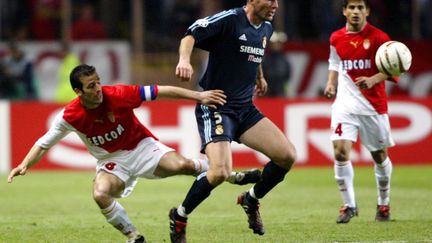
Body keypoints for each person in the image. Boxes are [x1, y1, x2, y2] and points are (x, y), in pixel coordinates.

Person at [7, 64, 262, 243]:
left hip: (142, 147)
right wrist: (24, 164)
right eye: (91, 86)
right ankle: (134, 236)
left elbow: (161, 91)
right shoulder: (70, 115)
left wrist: (199, 96)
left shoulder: (117, 94)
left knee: (184, 165)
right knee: (100, 194)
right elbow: (44, 142)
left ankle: (233, 177)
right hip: (111, 161)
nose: (98, 89)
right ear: (78, 91)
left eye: (98, 82)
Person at [171, 0, 296, 241]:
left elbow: (253, 52)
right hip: (217, 105)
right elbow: (190, 34)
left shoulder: (267, 28)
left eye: (277, 0)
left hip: (245, 109)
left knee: (286, 156)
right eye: (270, 0)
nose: (276, 5)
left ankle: (251, 199)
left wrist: (259, 76)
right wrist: (184, 60)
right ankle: (179, 215)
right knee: (219, 172)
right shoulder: (229, 19)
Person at [324, 0, 397, 224]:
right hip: (345, 104)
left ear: (367, 11)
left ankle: (383, 203)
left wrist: (374, 79)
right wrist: (330, 83)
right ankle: (349, 206)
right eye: (352, 7)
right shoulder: (336, 37)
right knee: (340, 152)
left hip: (373, 107)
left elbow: (397, 65)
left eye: (360, 8)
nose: (356, 12)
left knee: (379, 156)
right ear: (344, 11)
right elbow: (335, 62)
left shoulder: (379, 38)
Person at [261, 31, 291, 97]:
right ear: (270, 44)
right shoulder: (264, 60)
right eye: (274, 43)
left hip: (280, 93)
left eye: (278, 43)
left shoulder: (285, 60)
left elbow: (287, 77)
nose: (276, 45)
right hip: (266, 94)